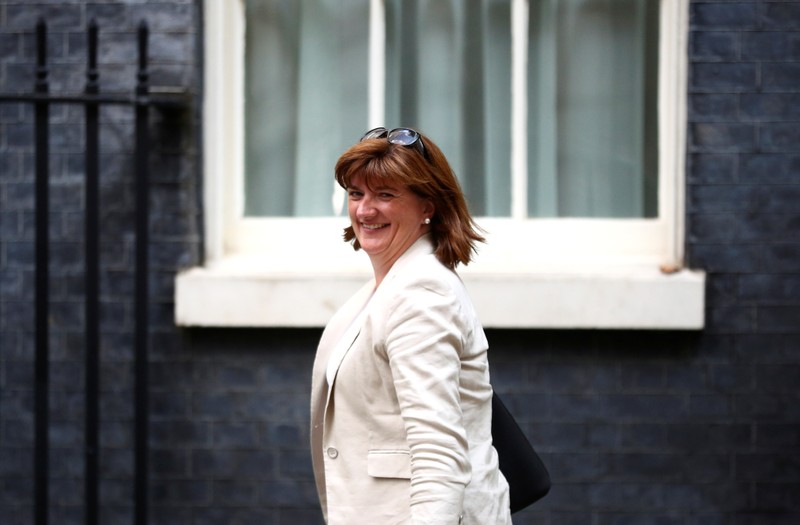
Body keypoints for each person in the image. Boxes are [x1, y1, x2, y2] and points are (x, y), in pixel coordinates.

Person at [310, 127, 512, 524]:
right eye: (356, 194)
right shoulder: (388, 285)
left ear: (428, 207)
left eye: (385, 195)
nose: (366, 210)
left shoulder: (421, 293)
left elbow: (438, 452)